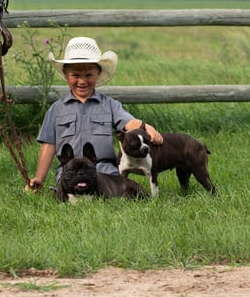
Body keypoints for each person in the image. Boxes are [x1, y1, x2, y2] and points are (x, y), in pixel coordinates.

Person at [27, 36, 164, 191]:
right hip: (69, 173)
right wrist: (39, 178)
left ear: (98, 73)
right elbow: (49, 145)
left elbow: (129, 124)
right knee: (67, 192)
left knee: (115, 191)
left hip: (104, 171)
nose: (82, 81)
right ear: (66, 74)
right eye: (75, 75)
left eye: (88, 75)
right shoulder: (56, 109)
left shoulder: (109, 105)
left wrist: (147, 128)